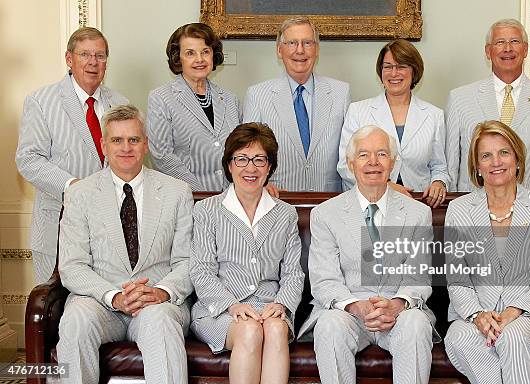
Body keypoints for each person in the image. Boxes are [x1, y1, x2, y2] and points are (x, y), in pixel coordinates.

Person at [57, 105, 193, 384]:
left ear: (145, 145)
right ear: (103, 145)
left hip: (155, 302)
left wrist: (161, 291)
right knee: (75, 320)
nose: (125, 147)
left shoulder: (177, 192)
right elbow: (72, 266)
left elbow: (188, 261)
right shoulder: (80, 194)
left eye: (133, 140)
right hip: (100, 301)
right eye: (117, 140)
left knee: (161, 322)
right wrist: (114, 297)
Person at [298, 125, 439, 384]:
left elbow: (419, 276)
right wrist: (356, 306)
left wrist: (397, 305)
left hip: (399, 312)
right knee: (329, 324)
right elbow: (325, 280)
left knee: (417, 323)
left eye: (382, 154)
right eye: (363, 155)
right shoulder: (326, 214)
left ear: (393, 162)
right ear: (351, 164)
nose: (373, 162)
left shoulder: (418, 213)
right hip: (348, 311)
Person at [444, 120, 530, 383]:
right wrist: (478, 315)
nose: (495, 161)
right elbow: (457, 277)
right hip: (477, 315)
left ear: (518, 159)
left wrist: (513, 311)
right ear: (477, 167)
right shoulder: (459, 211)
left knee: (512, 336)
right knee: (459, 338)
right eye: (486, 155)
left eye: (504, 152)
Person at [190, 122, 304, 384]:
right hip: (219, 309)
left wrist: (282, 305)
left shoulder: (285, 213)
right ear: (229, 165)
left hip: (271, 306)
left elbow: (293, 273)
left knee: (276, 330)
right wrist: (232, 305)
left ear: (270, 167)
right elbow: (202, 271)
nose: (250, 168)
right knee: (250, 331)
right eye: (241, 159)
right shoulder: (207, 211)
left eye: (259, 160)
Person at [15, 27, 128, 284]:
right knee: (52, 309)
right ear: (69, 59)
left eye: (99, 56)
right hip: (58, 224)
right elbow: (29, 159)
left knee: (100, 308)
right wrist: (73, 187)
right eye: (85, 54)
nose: (92, 62)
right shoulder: (41, 101)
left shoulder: (120, 103)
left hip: (110, 231)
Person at [445, 18, 530, 204]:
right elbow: (450, 167)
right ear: (488, 52)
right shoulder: (459, 100)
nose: (507, 49)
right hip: (473, 214)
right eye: (500, 42)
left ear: (526, 49)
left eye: (514, 41)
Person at [243, 17, 350, 193]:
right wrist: (261, 185)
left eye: (307, 43)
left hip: (329, 198)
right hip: (277, 198)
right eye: (292, 43)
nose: (300, 50)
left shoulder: (341, 92)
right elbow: (248, 152)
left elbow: (350, 152)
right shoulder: (257, 95)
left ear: (316, 50)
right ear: (279, 50)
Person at [338, 39, 449, 207]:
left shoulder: (434, 115)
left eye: (401, 66)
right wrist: (385, 185)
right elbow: (345, 166)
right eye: (388, 66)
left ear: (414, 71)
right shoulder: (357, 111)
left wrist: (439, 182)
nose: (394, 73)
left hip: (418, 204)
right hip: (370, 203)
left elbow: (439, 166)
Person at [147, 22, 241, 191]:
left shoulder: (230, 99)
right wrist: (200, 193)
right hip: (187, 197)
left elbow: (241, 151)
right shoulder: (161, 98)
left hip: (231, 198)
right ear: (178, 58)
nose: (200, 59)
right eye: (190, 53)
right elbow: (162, 157)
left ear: (214, 55)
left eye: (205, 51)